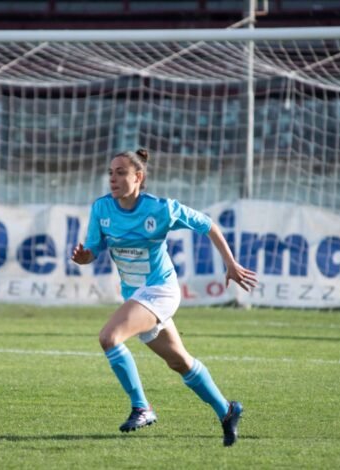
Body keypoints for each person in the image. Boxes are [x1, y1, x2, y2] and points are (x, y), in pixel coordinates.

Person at [71, 148, 258, 446]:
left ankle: (141, 407)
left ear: (138, 177)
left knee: (109, 337)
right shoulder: (102, 208)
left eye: (121, 172)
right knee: (179, 362)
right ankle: (227, 410)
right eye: (110, 172)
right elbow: (93, 249)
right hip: (136, 295)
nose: (113, 178)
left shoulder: (161, 209)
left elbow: (208, 224)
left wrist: (230, 263)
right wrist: (84, 257)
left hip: (161, 291)